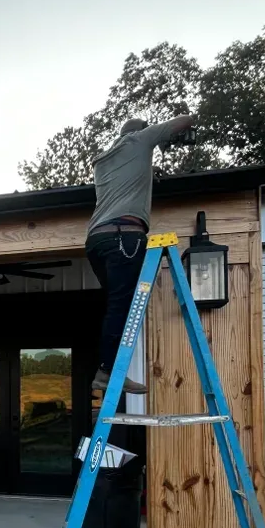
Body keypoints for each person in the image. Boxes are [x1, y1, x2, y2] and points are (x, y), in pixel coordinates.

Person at [86, 115, 196, 394]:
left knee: (116, 305)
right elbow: (182, 121)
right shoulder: (139, 140)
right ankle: (107, 372)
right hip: (125, 236)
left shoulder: (104, 161)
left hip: (97, 240)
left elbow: (129, 178)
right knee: (122, 307)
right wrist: (187, 123)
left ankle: (106, 368)